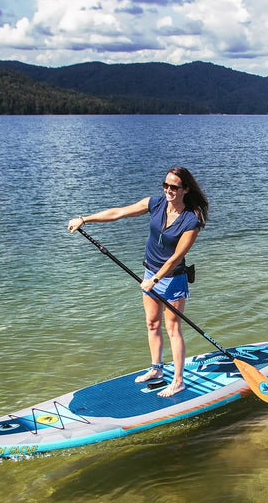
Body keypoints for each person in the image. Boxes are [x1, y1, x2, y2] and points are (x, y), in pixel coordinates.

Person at [68, 166, 209, 397]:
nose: (168, 190)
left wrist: (155, 279)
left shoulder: (190, 221)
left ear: (185, 189)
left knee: (172, 329)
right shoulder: (154, 204)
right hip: (149, 275)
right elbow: (119, 213)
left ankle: (178, 381)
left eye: (174, 187)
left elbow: (176, 258)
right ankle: (156, 370)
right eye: (165, 185)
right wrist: (85, 219)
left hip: (171, 279)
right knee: (152, 324)